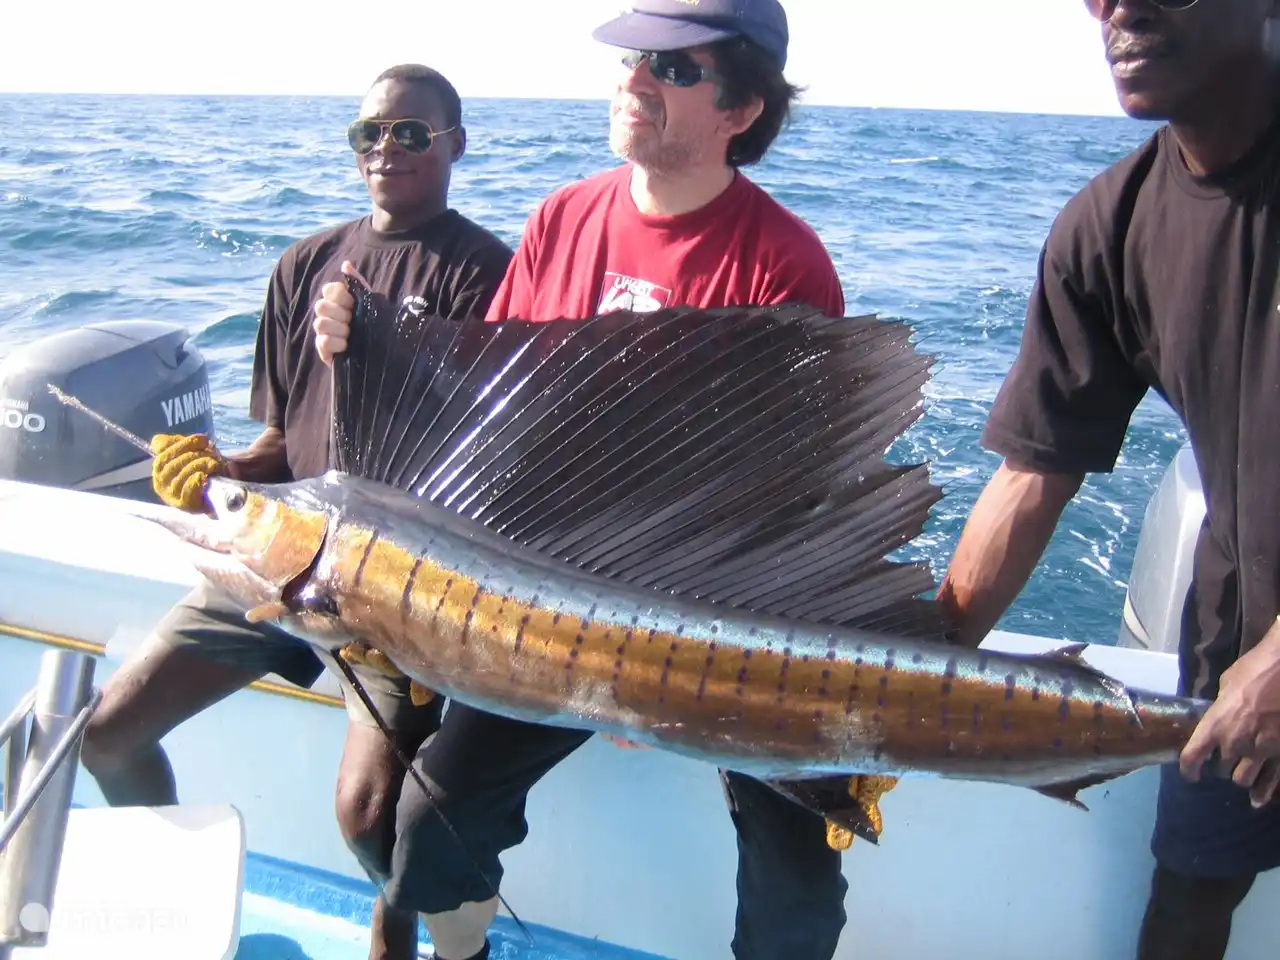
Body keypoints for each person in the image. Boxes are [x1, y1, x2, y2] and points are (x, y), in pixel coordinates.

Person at [309, 4, 894, 958]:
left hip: (710, 624)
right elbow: (483, 414)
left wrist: (653, 669)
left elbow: (793, 495)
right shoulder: (561, 220)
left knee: (797, 875)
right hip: (550, 606)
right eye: (632, 58)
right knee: (428, 828)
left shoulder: (785, 261)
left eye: (673, 68)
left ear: (741, 107)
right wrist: (364, 348)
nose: (634, 78)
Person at [81, 63, 513, 960]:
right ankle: (176, 908)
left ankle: (425, 940)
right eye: (369, 134)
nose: (386, 149)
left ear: (455, 145)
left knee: (367, 818)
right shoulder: (304, 264)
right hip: (281, 559)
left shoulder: (488, 273)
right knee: (108, 736)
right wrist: (214, 470)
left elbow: (483, 467)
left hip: (392, 587)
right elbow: (280, 444)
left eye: (410, 132)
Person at [933, 1, 1280, 957]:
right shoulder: (1108, 225)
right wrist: (917, 662)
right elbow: (1033, 474)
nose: (1117, 9)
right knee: (1185, 913)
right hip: (1237, 651)